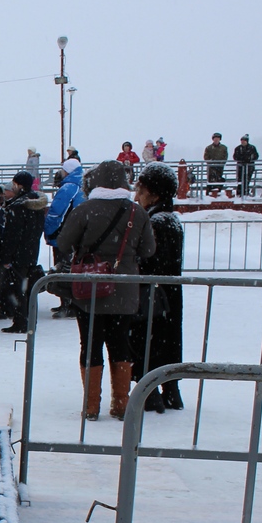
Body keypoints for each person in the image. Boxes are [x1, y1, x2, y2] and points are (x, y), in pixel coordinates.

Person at [56, 160, 156, 421]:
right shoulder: (137, 212)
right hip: (124, 290)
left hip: (88, 290)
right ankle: (121, 405)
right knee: (120, 344)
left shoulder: (85, 210)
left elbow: (64, 242)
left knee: (90, 344)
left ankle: (91, 406)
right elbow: (148, 250)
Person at [130, 162, 185, 413]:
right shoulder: (171, 219)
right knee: (167, 341)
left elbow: (150, 259)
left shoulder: (155, 222)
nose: (136, 196)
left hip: (154, 294)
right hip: (168, 293)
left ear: (154, 193)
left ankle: (151, 392)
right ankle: (170, 391)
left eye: (141, 191)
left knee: (150, 341)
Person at [0, 171, 48, 334]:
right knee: (29, 287)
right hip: (31, 251)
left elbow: (12, 235)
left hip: (18, 253)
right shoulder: (37, 204)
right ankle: (30, 319)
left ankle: (20, 321)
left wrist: (6, 256)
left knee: (19, 289)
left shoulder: (18, 206)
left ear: (19, 185)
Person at [43, 158, 86, 320]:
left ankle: (66, 304)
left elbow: (56, 213)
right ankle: (72, 303)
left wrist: (50, 232)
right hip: (77, 236)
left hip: (64, 236)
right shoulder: (82, 187)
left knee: (63, 268)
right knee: (73, 268)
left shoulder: (68, 188)